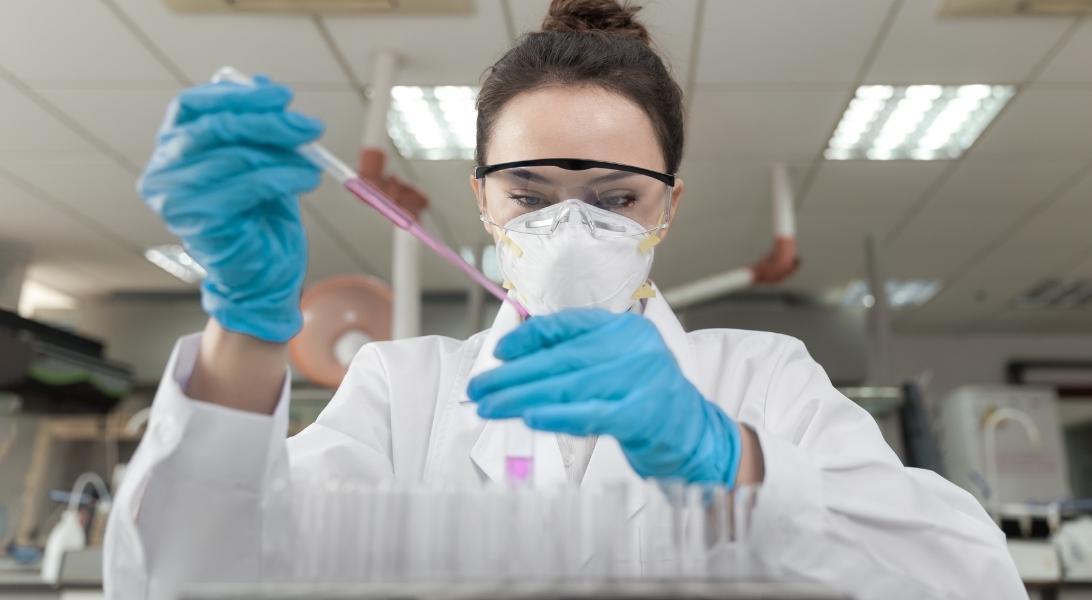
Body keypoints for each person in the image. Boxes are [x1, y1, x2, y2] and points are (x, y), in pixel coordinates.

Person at [105, 0, 1024, 598]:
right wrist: (244, 334)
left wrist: (732, 462)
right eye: (531, 196)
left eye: (617, 198)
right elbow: (199, 578)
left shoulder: (758, 380)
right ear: (481, 199)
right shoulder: (403, 392)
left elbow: (972, 581)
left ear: (669, 203)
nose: (572, 229)